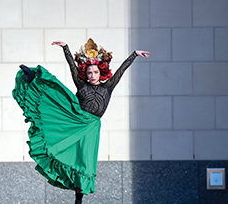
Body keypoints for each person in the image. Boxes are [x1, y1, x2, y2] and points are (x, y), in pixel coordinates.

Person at [12, 38, 149, 204]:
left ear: (101, 72)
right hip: (75, 120)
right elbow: (72, 66)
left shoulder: (108, 87)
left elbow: (121, 70)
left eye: (95, 72)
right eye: (90, 73)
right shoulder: (82, 85)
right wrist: (66, 48)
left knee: (84, 160)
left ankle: (79, 198)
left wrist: (134, 55)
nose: (92, 76)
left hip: (91, 127)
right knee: (58, 96)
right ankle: (34, 78)